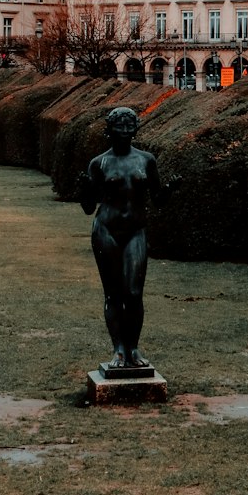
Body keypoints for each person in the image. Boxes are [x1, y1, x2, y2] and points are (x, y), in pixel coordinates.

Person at [79, 107, 164, 370]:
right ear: (110, 130)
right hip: (106, 230)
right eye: (120, 126)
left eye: (130, 126)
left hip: (135, 231)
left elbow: (159, 199)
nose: (125, 131)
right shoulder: (99, 163)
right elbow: (88, 207)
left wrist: (170, 190)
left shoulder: (146, 160)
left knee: (134, 292)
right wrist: (85, 190)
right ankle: (118, 350)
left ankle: (133, 348)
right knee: (113, 293)